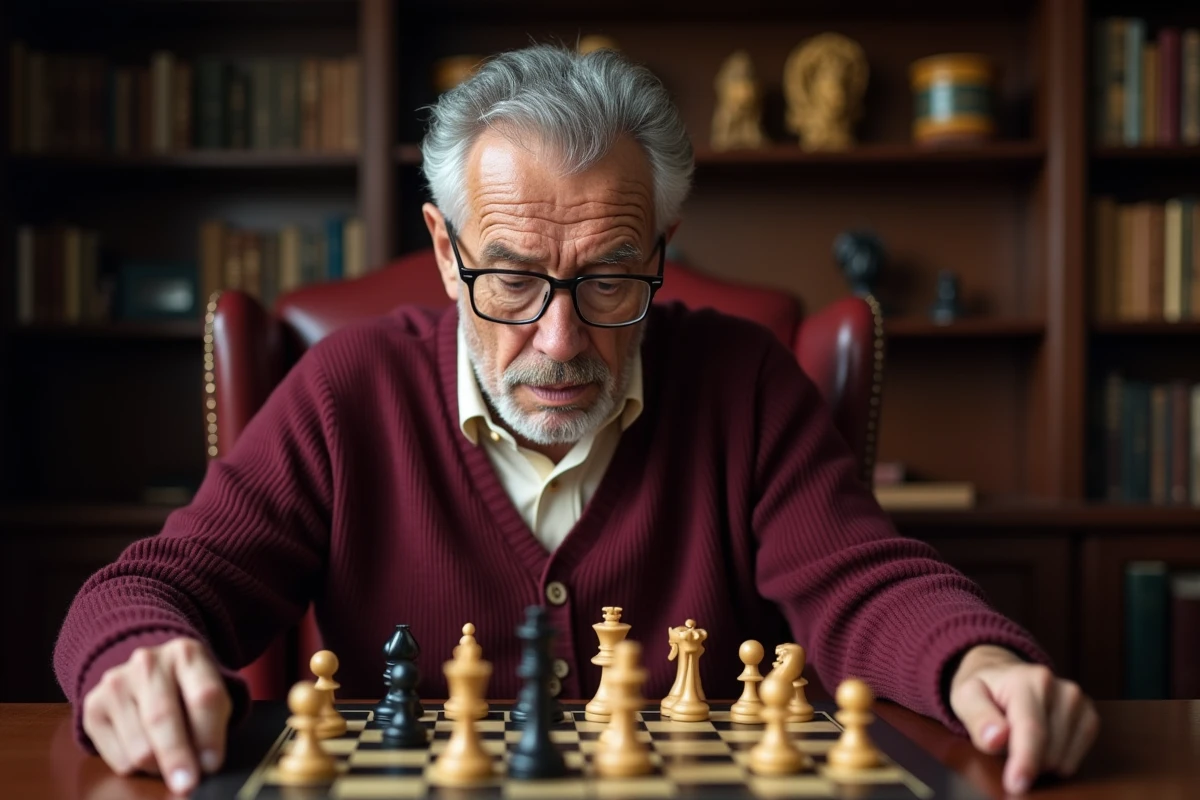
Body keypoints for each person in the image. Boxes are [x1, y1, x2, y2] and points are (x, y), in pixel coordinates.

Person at [53, 44, 1097, 797]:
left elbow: (866, 581)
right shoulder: (346, 388)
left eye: (609, 278)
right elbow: (147, 588)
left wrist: (979, 665)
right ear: (443, 247)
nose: (560, 340)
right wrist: (137, 657)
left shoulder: (742, 381)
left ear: (663, 245)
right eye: (509, 278)